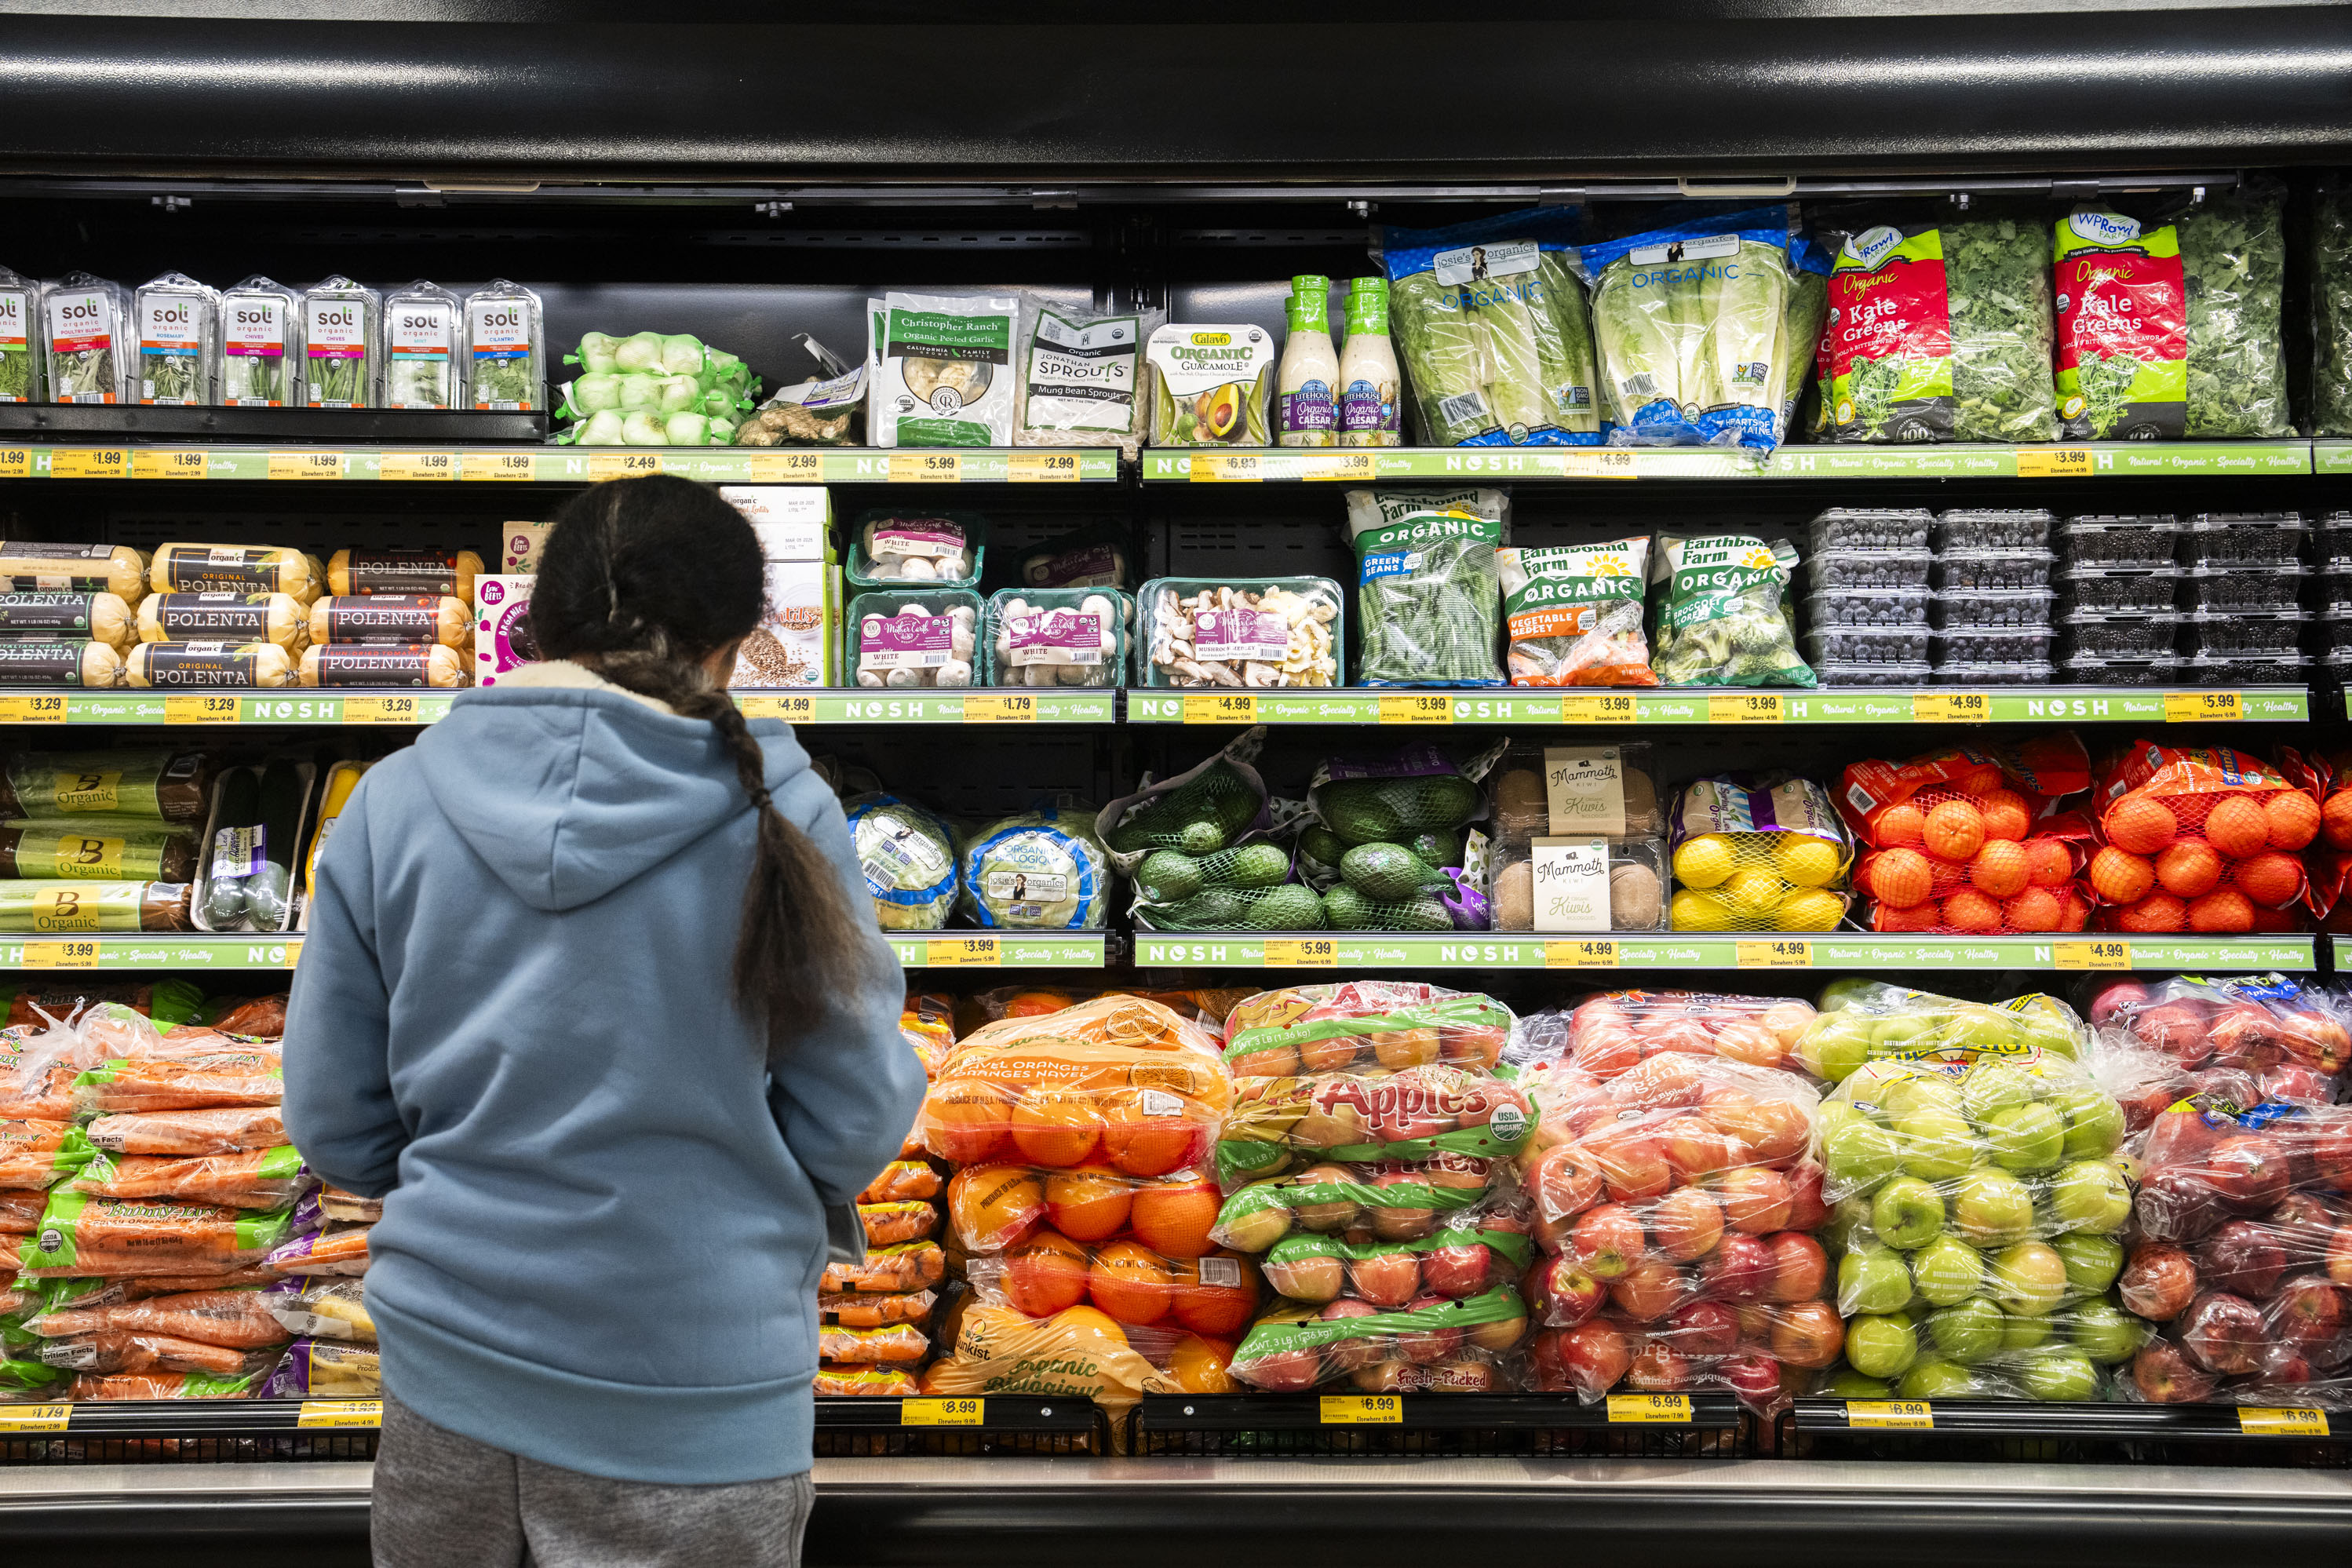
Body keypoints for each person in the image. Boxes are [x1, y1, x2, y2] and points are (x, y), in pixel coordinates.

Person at [283, 474, 924, 1567]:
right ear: (734, 642)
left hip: (450, 1378)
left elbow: (336, 1121)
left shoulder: (391, 800)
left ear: (536, 620)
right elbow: (857, 1112)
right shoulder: (783, 806)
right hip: (702, 1389)